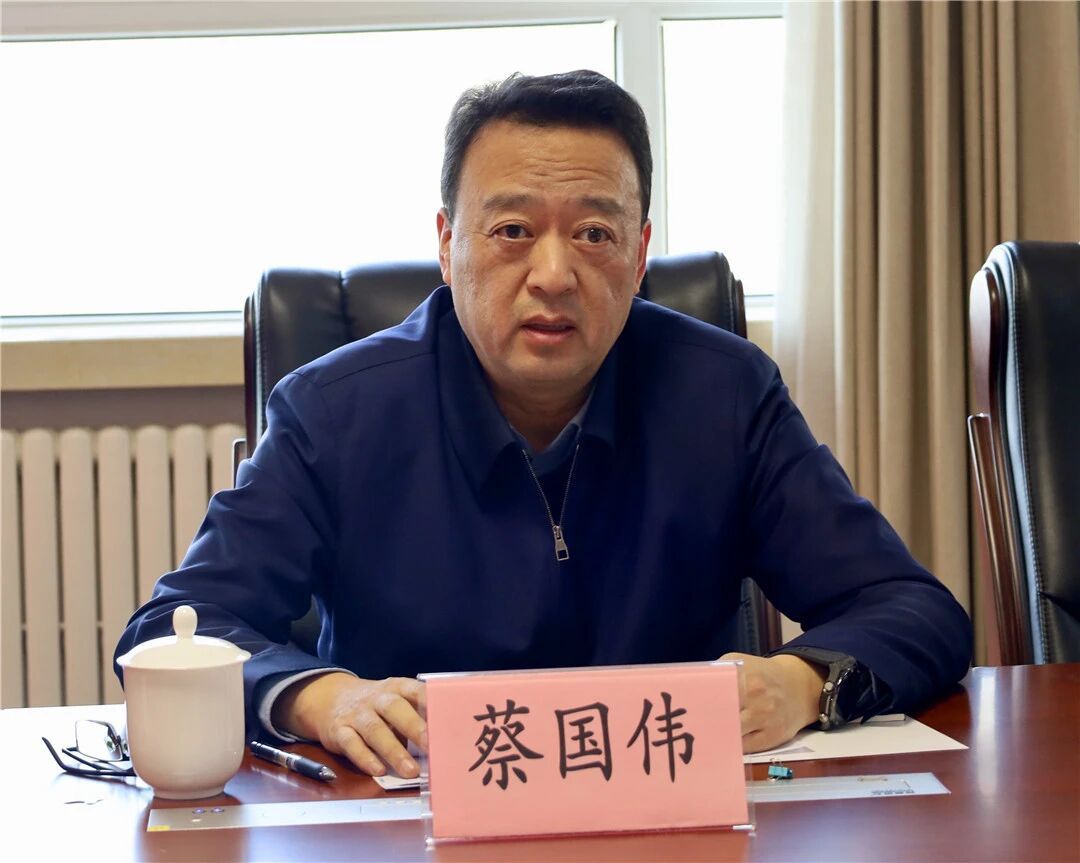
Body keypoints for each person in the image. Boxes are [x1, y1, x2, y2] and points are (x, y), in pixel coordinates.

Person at [115, 70, 972, 781]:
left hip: (667, 815)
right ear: (447, 243)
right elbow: (175, 625)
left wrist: (800, 681)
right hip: (418, 818)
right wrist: (320, 696)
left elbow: (915, 610)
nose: (553, 274)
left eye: (594, 233)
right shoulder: (335, 412)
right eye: (513, 230)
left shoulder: (723, 394)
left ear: (639, 253)